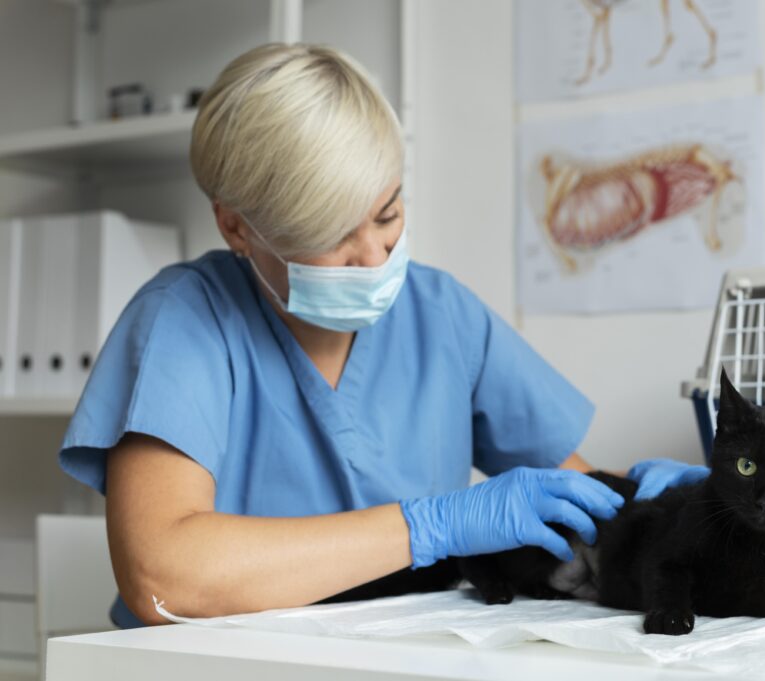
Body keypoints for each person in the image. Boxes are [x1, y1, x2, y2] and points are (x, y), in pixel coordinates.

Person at [58, 43, 708, 628]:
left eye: (387, 213)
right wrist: (431, 524)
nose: (373, 257)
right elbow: (162, 576)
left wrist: (674, 502)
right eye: (329, 235)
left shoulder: (441, 313)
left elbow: (567, 495)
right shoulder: (185, 319)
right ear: (236, 228)